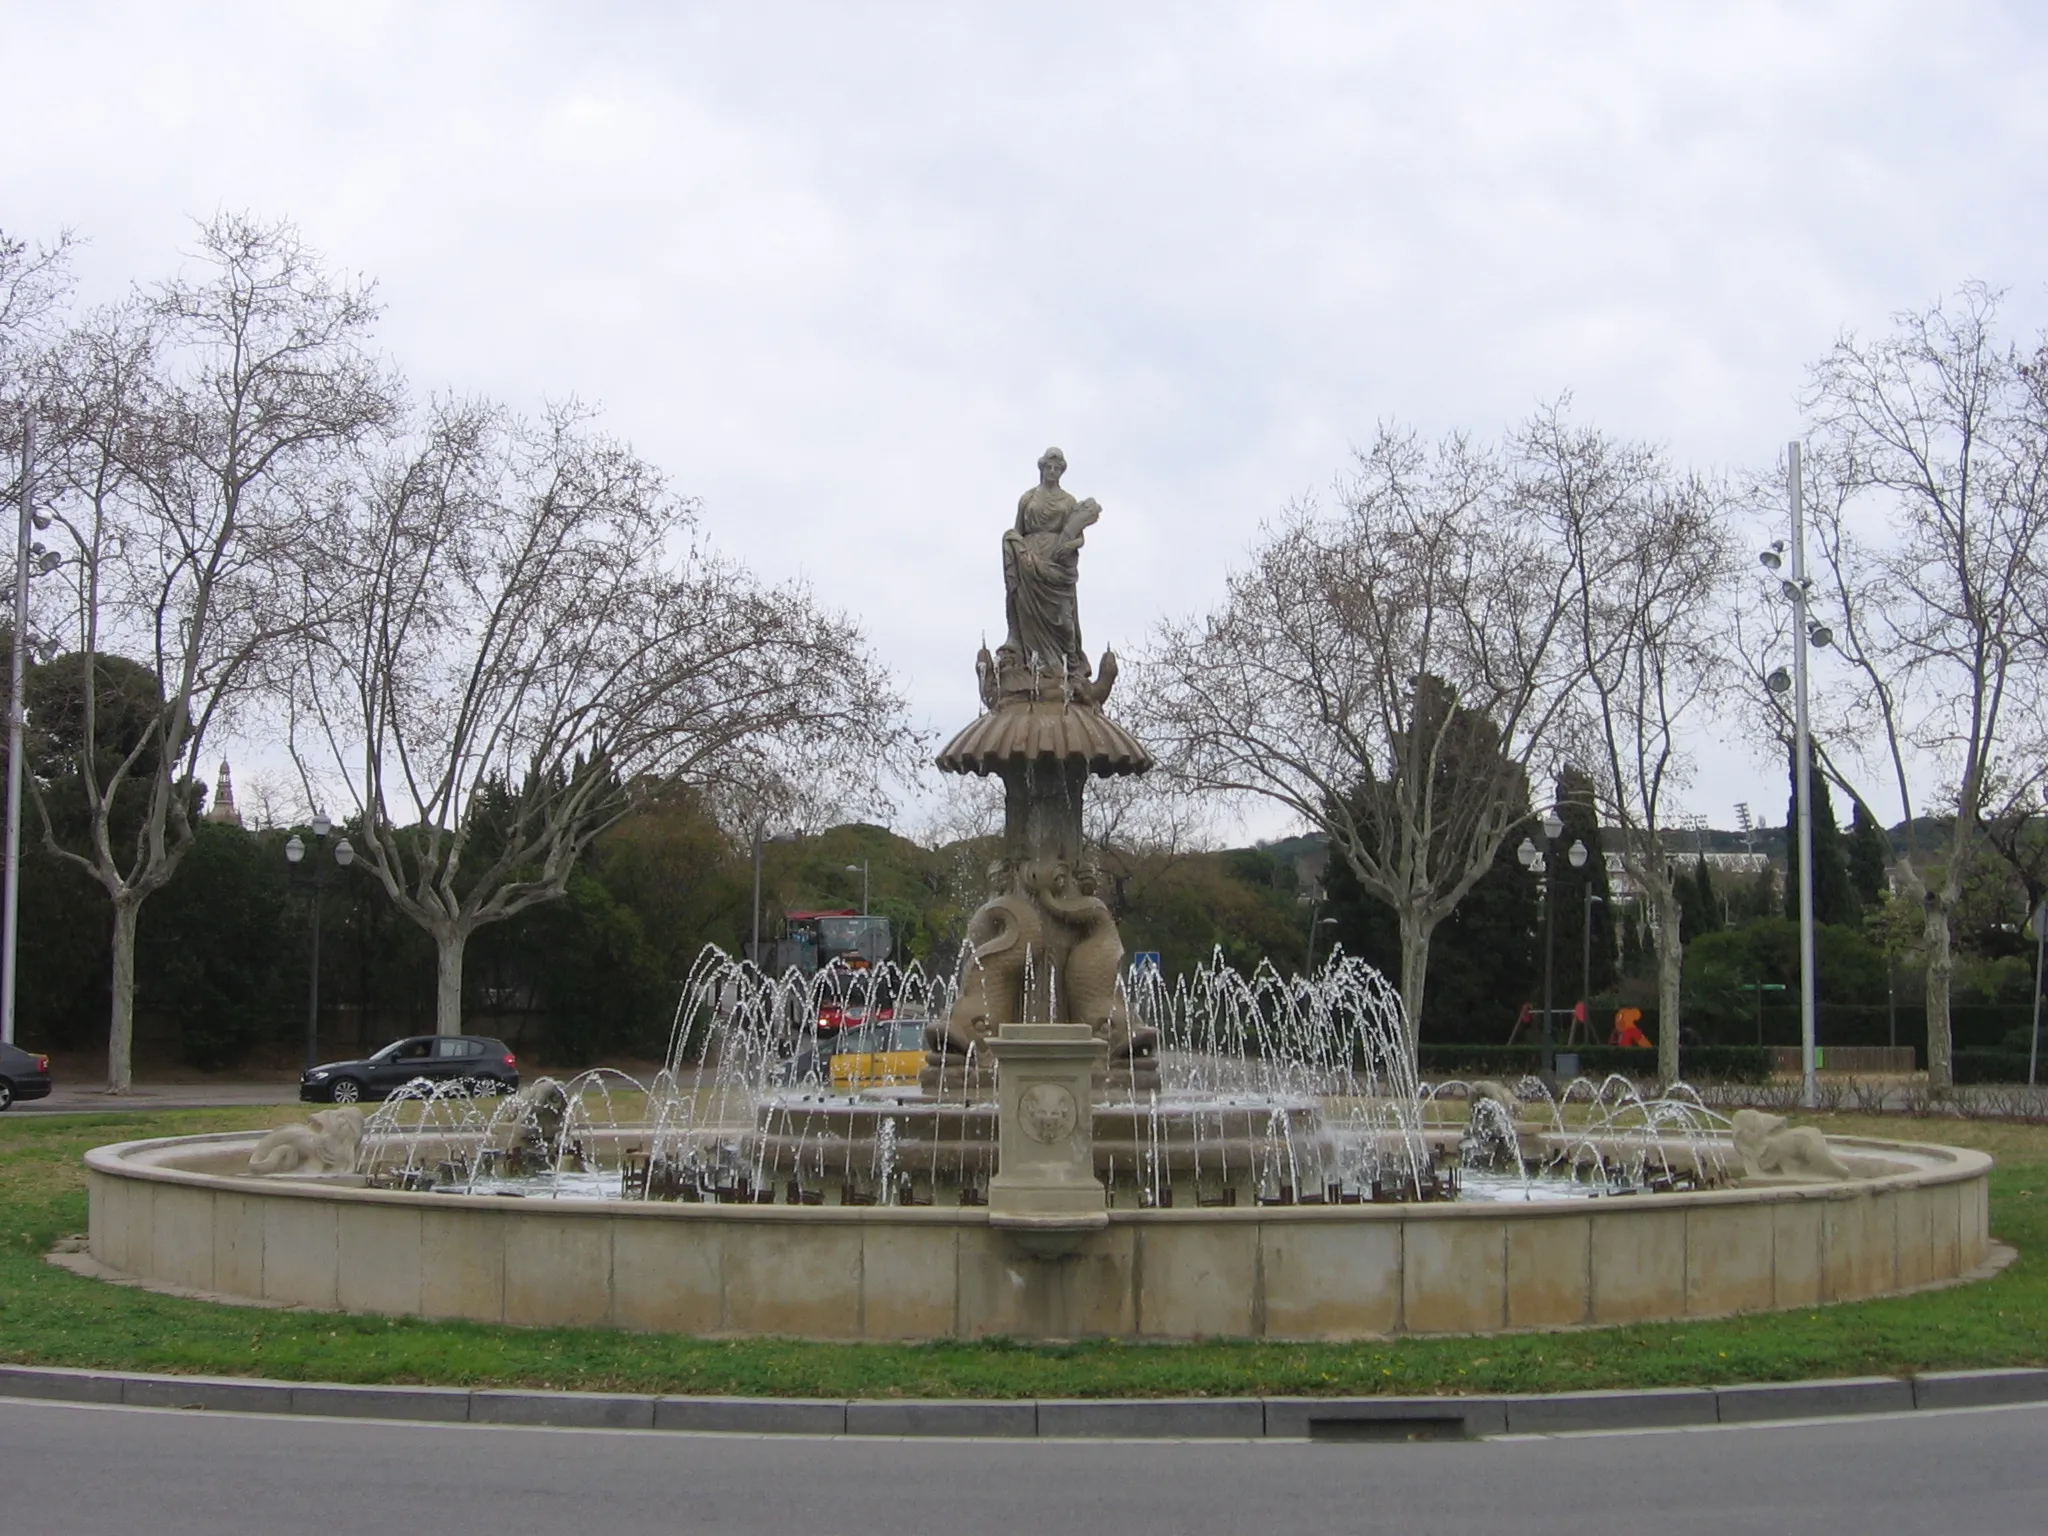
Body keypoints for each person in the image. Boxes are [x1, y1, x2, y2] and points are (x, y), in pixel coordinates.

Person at [1001, 446, 1100, 678]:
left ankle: (1070, 667)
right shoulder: (1028, 498)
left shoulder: (1068, 501)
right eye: (1049, 467)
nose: (1053, 471)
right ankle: (1034, 666)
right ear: (1042, 468)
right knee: (1028, 612)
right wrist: (1015, 546)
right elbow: (1018, 530)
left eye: (1057, 468)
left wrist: (1069, 546)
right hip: (1030, 561)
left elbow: (1079, 536)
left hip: (1059, 563)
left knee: (1065, 621)